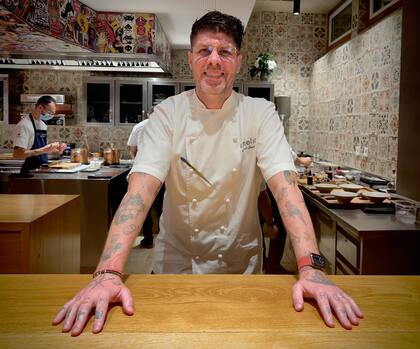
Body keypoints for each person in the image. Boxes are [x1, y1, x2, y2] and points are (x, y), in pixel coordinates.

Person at [52, 11, 363, 336]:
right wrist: (108, 273)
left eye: (225, 52)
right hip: (177, 264)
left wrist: (311, 269)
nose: (214, 61)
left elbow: (287, 191)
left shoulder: (259, 113)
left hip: (238, 264)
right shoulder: (167, 115)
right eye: (204, 51)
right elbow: (139, 195)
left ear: (238, 61)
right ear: (191, 59)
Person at [13, 95, 66, 175]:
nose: (51, 116)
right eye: (49, 112)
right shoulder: (24, 125)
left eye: (53, 113)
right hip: (29, 173)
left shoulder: (43, 125)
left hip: (41, 171)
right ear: (40, 108)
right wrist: (43, 150)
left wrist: (53, 150)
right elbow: (17, 154)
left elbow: (40, 150)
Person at [126, 119, 154, 248]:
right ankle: (165, 240)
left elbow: (132, 148)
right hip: (164, 173)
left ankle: (148, 239)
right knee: (163, 207)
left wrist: (136, 160)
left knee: (144, 208)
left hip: (143, 172)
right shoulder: (169, 125)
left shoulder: (140, 126)